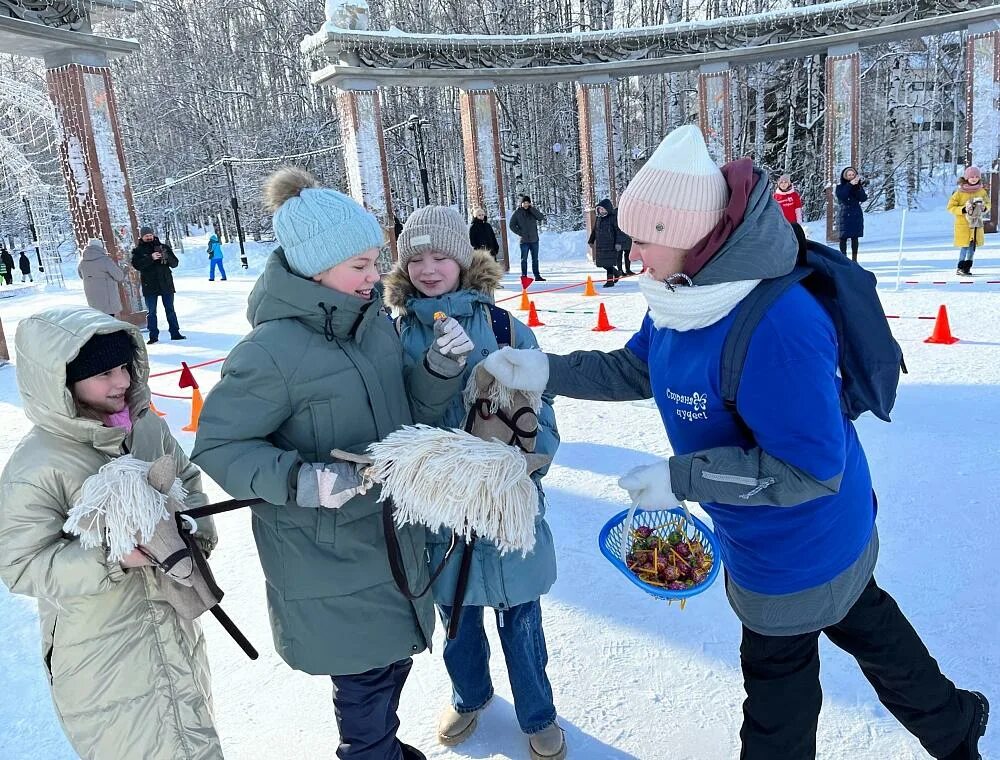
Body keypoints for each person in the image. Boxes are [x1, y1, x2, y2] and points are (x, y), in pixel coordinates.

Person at [477, 124, 990, 760]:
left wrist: (682, 478)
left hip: (803, 536)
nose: (632, 253)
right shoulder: (681, 292)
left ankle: (951, 727)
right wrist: (549, 371)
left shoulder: (778, 324)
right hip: (759, 530)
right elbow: (642, 366)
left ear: (690, 234)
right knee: (868, 623)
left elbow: (809, 469)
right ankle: (954, 722)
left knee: (780, 686)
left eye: (644, 239)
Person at [191, 168, 471, 760]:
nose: (377, 276)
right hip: (330, 556)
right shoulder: (271, 352)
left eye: (375, 262)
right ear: (316, 269)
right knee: (364, 681)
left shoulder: (372, 327)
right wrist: (300, 479)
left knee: (391, 660)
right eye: (362, 266)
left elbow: (406, 415)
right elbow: (219, 445)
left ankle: (382, 747)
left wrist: (439, 374)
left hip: (393, 534)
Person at [384, 206, 565, 759]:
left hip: (508, 504)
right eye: (416, 258)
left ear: (463, 258)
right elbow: (394, 414)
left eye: (440, 255)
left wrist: (539, 457)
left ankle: (537, 712)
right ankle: (471, 694)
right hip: (442, 507)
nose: (429, 268)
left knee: (522, 619)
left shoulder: (506, 327)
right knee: (456, 619)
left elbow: (545, 403)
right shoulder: (392, 334)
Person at [0, 309, 221, 760]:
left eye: (124, 366)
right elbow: (19, 564)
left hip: (174, 625)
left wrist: (191, 536)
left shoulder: (146, 427)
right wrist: (114, 557)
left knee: (192, 738)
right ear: (61, 381)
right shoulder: (38, 465)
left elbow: (189, 481)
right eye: (104, 373)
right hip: (102, 650)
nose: (121, 380)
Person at [131, 226, 185, 344]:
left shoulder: (163, 247)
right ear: (142, 237)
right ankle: (153, 336)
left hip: (166, 283)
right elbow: (137, 265)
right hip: (149, 285)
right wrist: (151, 258)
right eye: (146, 236)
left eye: (150, 235)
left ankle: (175, 332)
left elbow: (175, 263)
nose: (149, 237)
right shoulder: (138, 251)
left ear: (153, 235)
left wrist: (166, 256)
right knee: (151, 312)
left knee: (170, 309)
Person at [947, 166, 991, 276]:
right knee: (965, 246)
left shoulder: (981, 191)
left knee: (972, 246)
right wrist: (963, 209)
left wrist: (983, 208)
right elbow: (950, 207)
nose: (974, 179)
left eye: (976, 177)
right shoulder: (959, 192)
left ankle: (967, 267)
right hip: (963, 225)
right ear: (966, 178)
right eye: (971, 177)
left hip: (976, 224)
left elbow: (988, 204)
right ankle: (960, 267)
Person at [588, 199, 632, 287]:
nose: (601, 211)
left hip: (611, 245)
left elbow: (618, 231)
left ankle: (610, 281)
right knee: (603, 263)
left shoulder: (613, 217)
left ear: (608, 209)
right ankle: (617, 273)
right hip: (601, 245)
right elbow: (594, 230)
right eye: (600, 209)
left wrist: (618, 243)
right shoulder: (599, 218)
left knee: (609, 263)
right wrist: (591, 240)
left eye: (603, 209)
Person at [78, 238, 127, 317]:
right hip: (108, 301)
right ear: (100, 247)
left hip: (93, 300)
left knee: (100, 322)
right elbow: (119, 276)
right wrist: (125, 270)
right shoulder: (105, 260)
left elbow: (81, 276)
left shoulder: (82, 262)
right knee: (111, 322)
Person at [509, 195, 546, 281]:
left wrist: (532, 209)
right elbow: (511, 225)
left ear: (529, 203)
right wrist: (520, 233)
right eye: (524, 203)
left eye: (527, 203)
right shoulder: (517, 213)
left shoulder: (532, 211)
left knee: (535, 259)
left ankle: (537, 276)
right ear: (521, 203)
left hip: (534, 240)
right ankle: (524, 276)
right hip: (524, 241)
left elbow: (541, 217)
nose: (526, 204)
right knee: (524, 259)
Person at [836, 166, 867, 261]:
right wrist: (849, 185)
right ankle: (843, 258)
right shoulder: (840, 187)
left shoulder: (858, 186)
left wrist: (858, 187)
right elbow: (842, 196)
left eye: (853, 175)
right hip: (844, 213)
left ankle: (855, 259)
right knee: (843, 237)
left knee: (855, 237)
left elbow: (863, 198)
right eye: (849, 175)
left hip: (855, 213)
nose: (851, 176)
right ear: (845, 176)